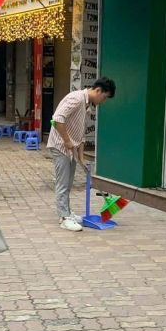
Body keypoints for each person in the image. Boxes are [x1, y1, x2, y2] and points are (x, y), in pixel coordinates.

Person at [46, 77, 116, 231]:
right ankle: (64, 218)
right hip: (60, 146)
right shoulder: (76, 99)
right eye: (104, 97)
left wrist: (82, 158)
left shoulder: (86, 105)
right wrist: (66, 140)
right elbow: (57, 119)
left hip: (70, 148)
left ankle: (68, 213)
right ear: (98, 91)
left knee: (68, 182)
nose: (103, 101)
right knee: (63, 183)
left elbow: (80, 133)